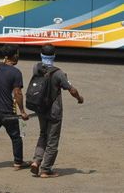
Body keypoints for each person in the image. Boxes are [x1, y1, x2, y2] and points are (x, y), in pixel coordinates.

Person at [30, 44, 84, 178]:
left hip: (40, 108)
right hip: (54, 111)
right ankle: (46, 169)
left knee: (43, 134)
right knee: (53, 140)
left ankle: (36, 161)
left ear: (41, 55)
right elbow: (72, 89)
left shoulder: (36, 68)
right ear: (54, 56)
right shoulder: (58, 73)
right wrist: (79, 98)